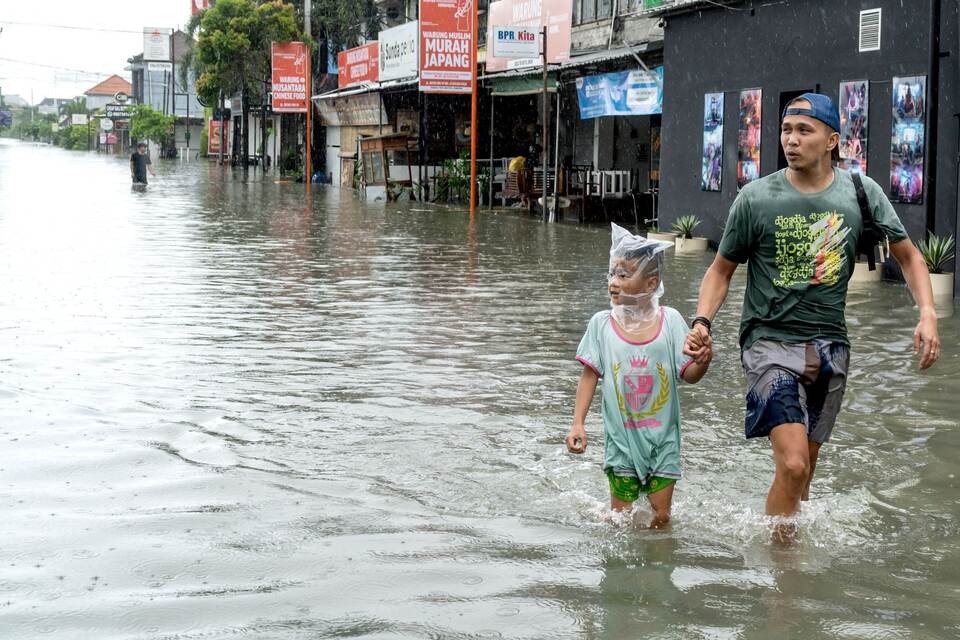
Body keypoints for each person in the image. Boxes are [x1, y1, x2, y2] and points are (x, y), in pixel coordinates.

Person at [683, 93, 940, 540]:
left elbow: (910, 257)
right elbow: (720, 270)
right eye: (786, 130)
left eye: (805, 131)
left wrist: (928, 314)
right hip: (768, 343)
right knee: (794, 462)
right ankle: (781, 594)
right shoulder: (756, 198)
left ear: (832, 141)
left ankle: (788, 568)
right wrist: (702, 323)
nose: (792, 140)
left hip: (829, 347)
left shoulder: (860, 193)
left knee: (803, 476)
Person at [566, 224, 711, 528]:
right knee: (622, 522)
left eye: (623, 274)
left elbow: (690, 374)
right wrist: (578, 422)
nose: (613, 283)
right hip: (621, 442)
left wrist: (703, 359)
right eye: (612, 273)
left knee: (660, 518)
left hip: (664, 441)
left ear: (651, 283)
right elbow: (590, 375)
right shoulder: (601, 325)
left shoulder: (670, 322)